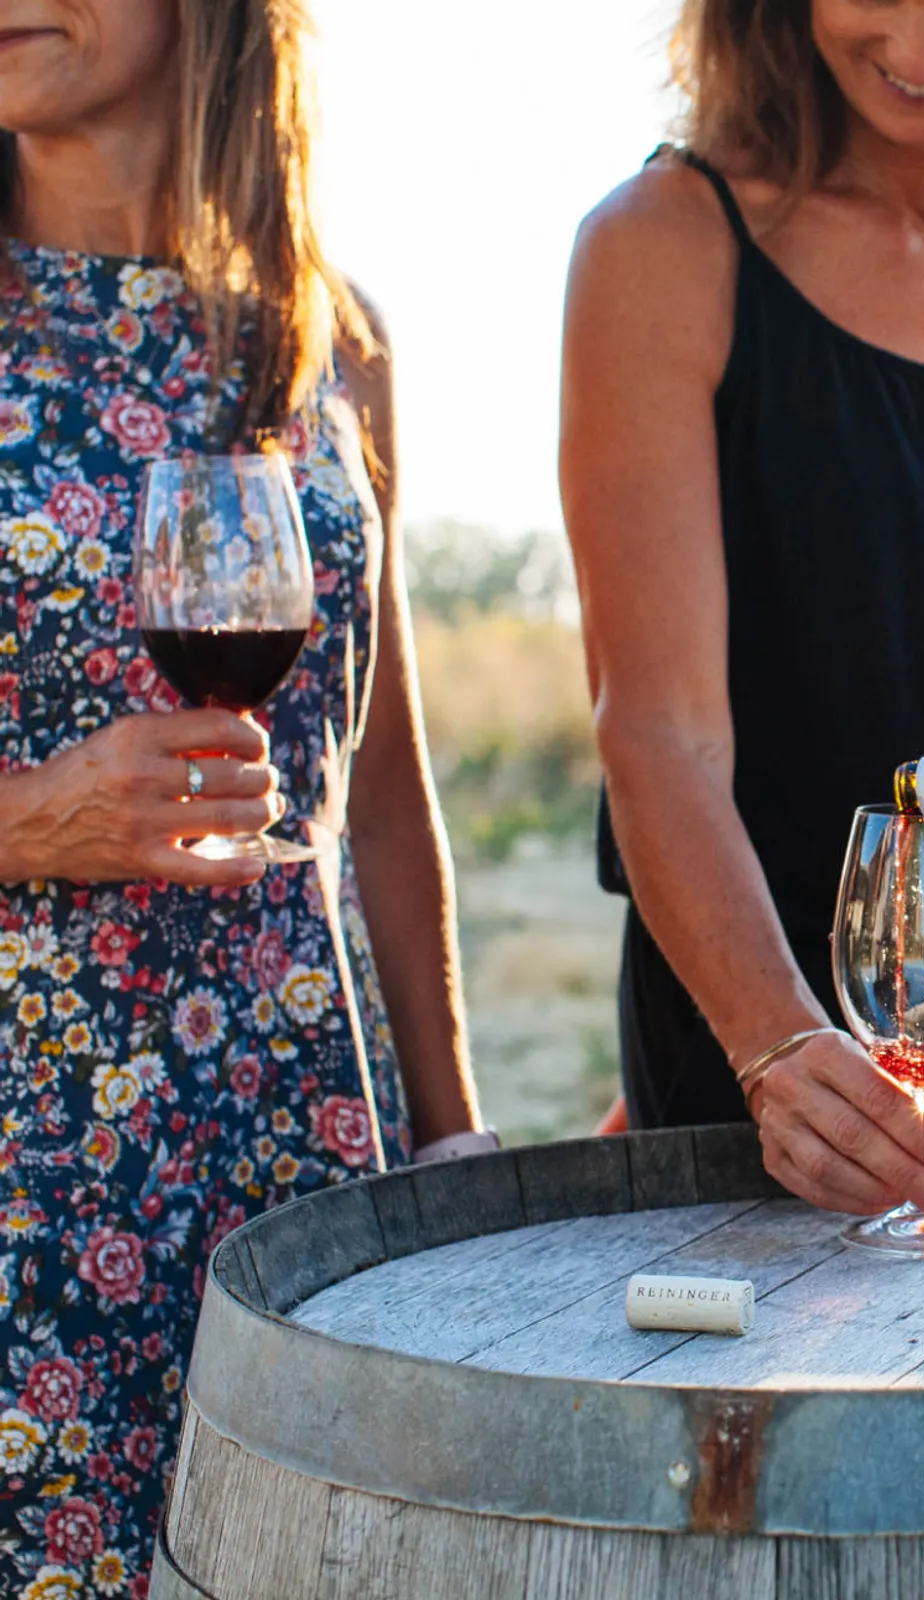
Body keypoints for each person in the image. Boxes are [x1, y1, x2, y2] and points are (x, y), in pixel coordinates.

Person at [0, 0, 483, 1585]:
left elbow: (379, 785)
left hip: (302, 1155)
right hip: (25, 1189)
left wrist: (452, 1141)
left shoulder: (331, 334)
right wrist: (33, 817)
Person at [562, 0, 924, 1217]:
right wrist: (775, 1046)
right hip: (775, 1040)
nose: (920, 38)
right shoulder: (665, 244)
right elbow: (656, 732)